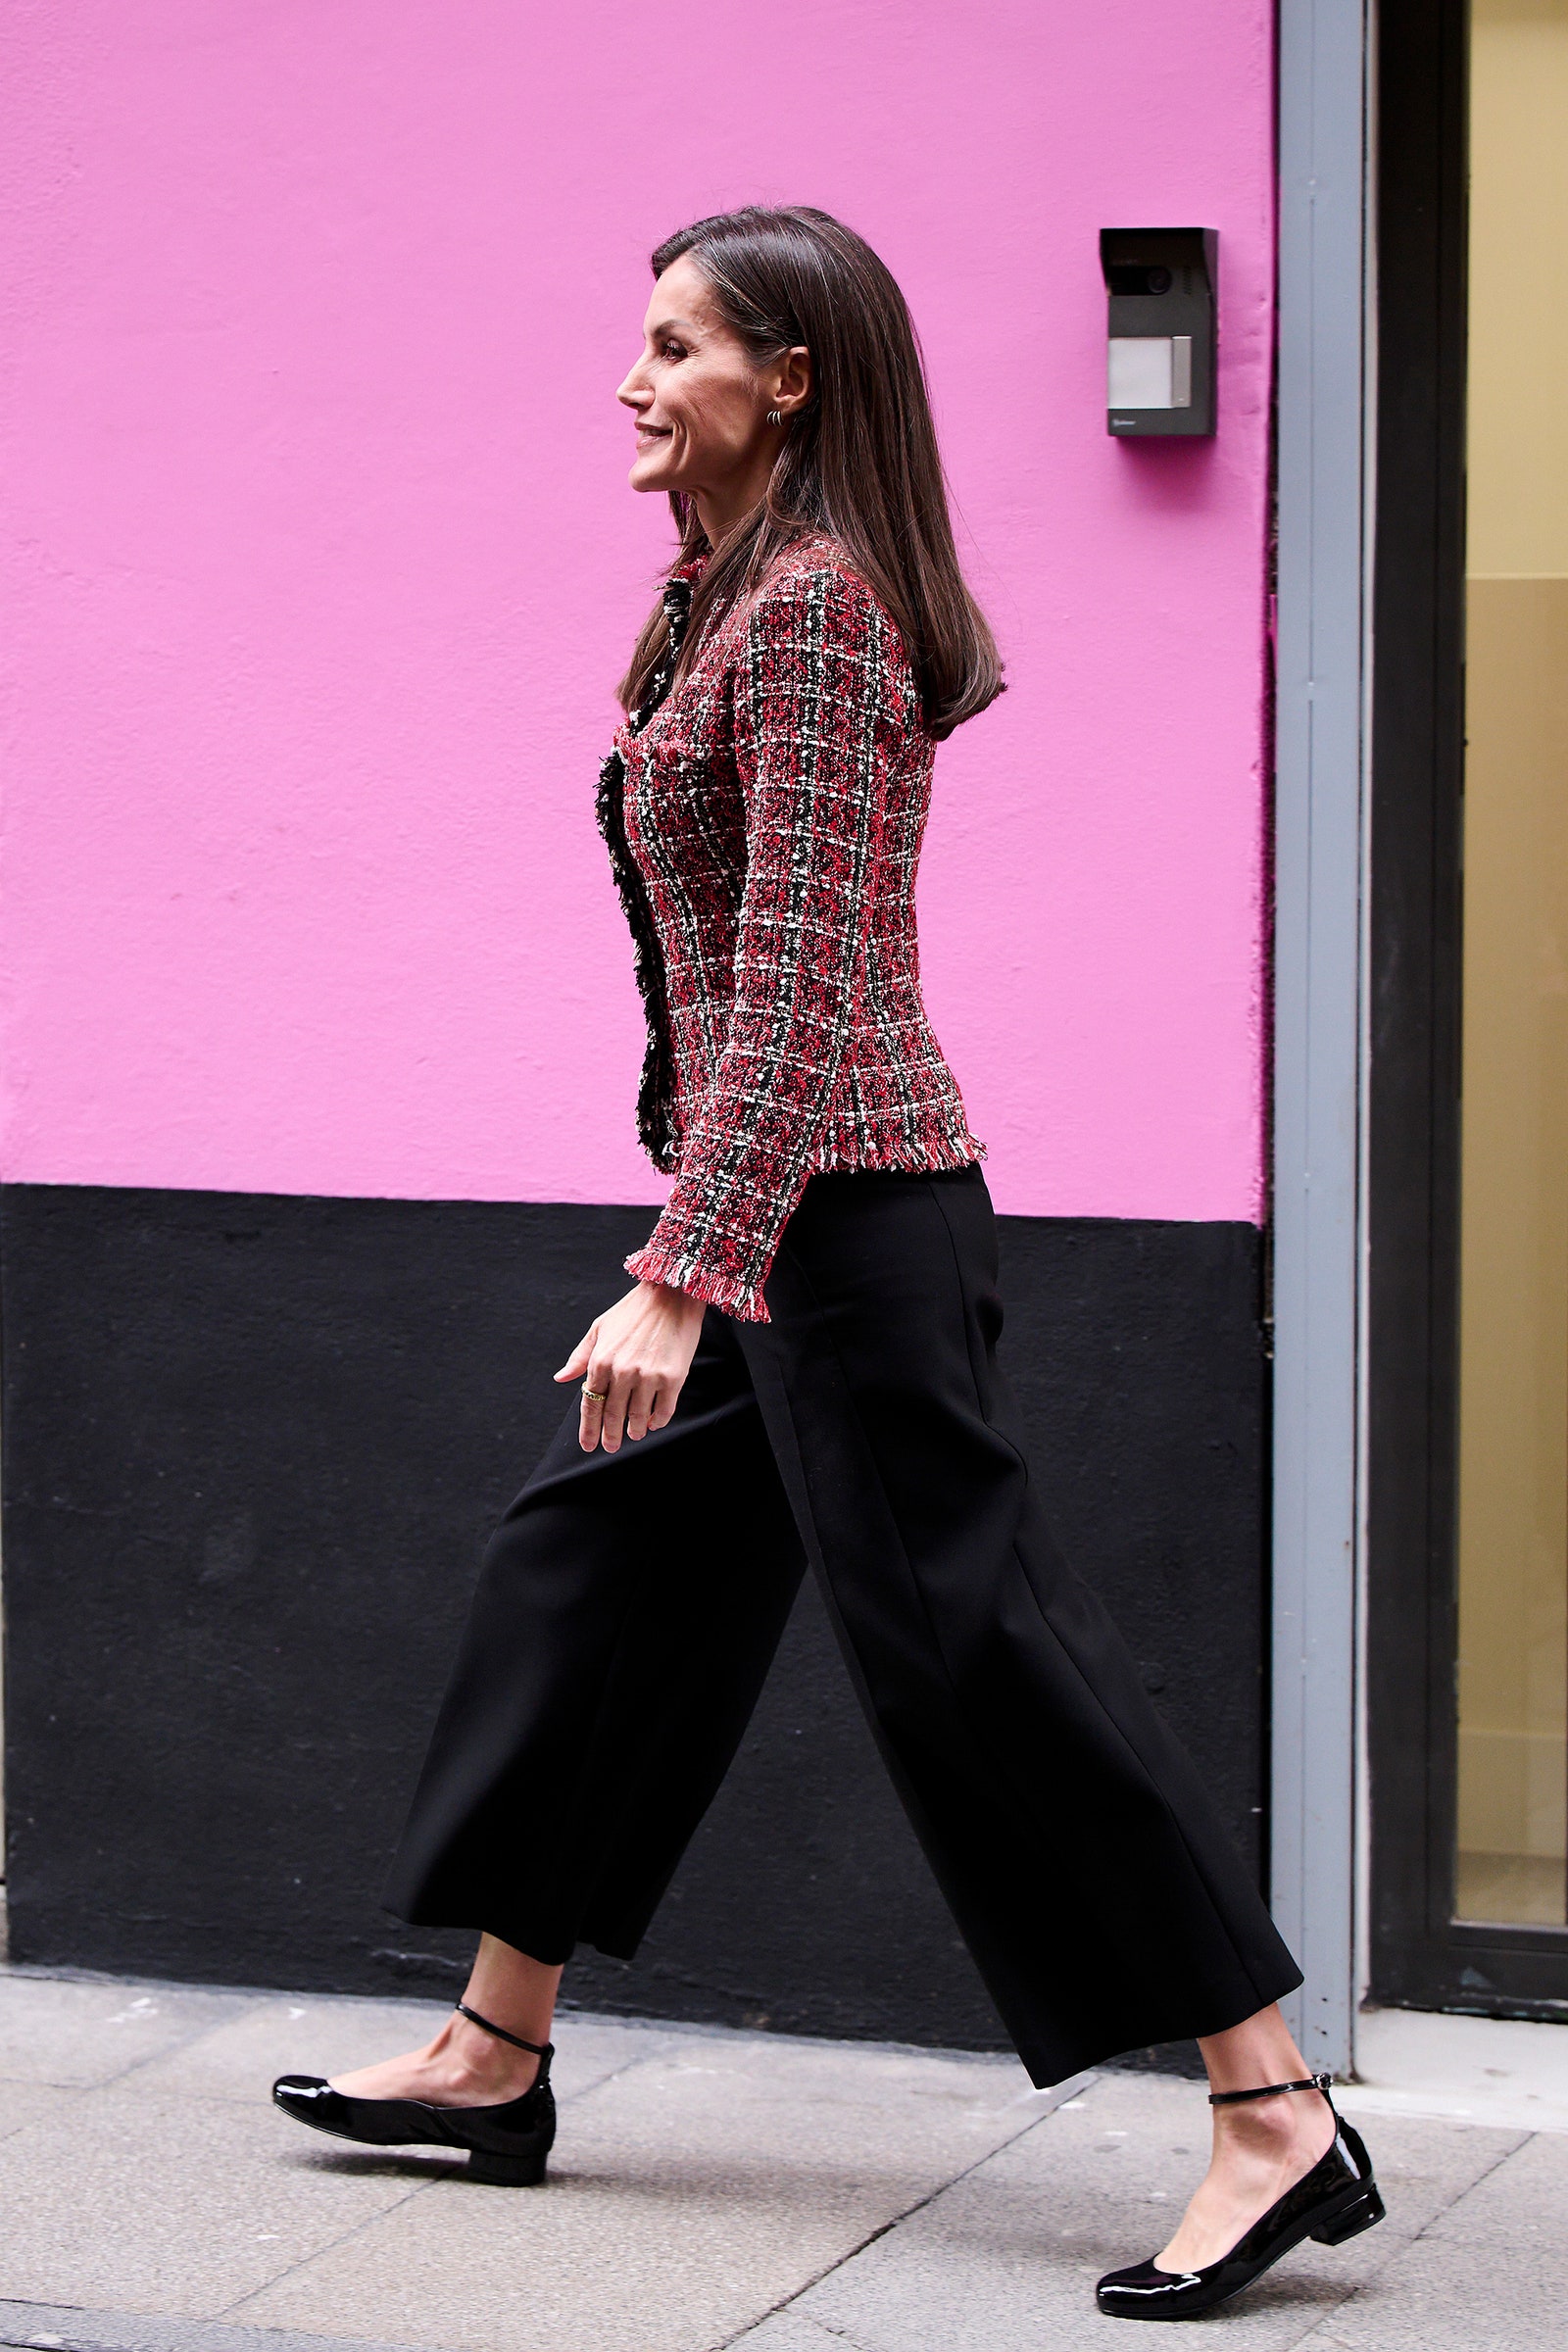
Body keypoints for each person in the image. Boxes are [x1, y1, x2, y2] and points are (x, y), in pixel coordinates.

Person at [273, 205, 1381, 2321]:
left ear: (788, 377)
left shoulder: (811, 613)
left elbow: (794, 984)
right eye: (642, 335)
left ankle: (1269, 2106)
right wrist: (698, 1232)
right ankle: (494, 2054)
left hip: (842, 1231)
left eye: (677, 342)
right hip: (774, 1214)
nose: (631, 374)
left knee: (987, 1653)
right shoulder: (714, 596)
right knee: (593, 1580)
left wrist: (688, 1264)